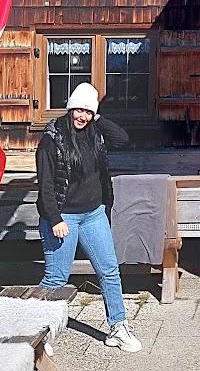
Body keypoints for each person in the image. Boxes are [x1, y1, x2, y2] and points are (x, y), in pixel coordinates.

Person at [36, 82, 141, 352]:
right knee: (56, 279)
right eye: (77, 110)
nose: (81, 116)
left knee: (109, 271)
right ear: (69, 109)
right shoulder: (52, 139)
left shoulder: (96, 132)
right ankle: (38, 333)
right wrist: (55, 219)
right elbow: (46, 185)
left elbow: (123, 139)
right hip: (63, 218)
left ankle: (118, 327)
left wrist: (98, 117)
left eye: (87, 111)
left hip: (94, 214)